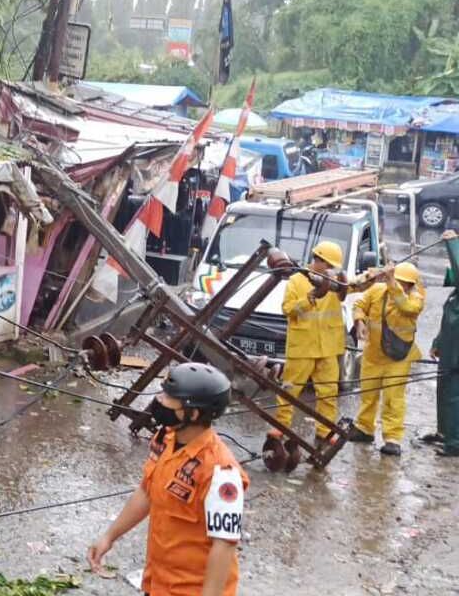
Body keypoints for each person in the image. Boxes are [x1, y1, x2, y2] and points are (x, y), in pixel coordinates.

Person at [88, 363, 249, 596]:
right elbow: (147, 491)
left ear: (192, 413)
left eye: (168, 397)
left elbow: (224, 544)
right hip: (158, 583)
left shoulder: (221, 473)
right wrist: (109, 536)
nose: (159, 400)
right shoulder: (166, 439)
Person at [275, 240, 347, 446]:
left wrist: (375, 275)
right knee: (289, 389)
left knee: (328, 393)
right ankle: (281, 426)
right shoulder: (297, 281)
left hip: (328, 348)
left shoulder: (335, 283)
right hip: (303, 347)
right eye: (329, 265)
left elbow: (356, 286)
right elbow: (288, 310)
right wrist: (309, 299)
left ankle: (325, 431)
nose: (332, 270)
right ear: (319, 261)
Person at [350, 262, 425, 456]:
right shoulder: (377, 290)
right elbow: (359, 304)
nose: (402, 285)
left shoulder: (415, 298)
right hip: (374, 354)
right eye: (399, 281)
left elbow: (407, 307)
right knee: (368, 394)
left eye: (405, 283)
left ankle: (392, 438)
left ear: (412, 285)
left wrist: (392, 281)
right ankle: (364, 428)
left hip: (398, 359)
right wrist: (359, 321)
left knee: (393, 398)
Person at [424, 229, 459, 457]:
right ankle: (444, 433)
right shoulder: (455, 296)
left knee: (455, 398)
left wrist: (453, 244)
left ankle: (455, 443)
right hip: (449, 353)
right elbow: (447, 323)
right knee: (444, 392)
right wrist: (437, 342)